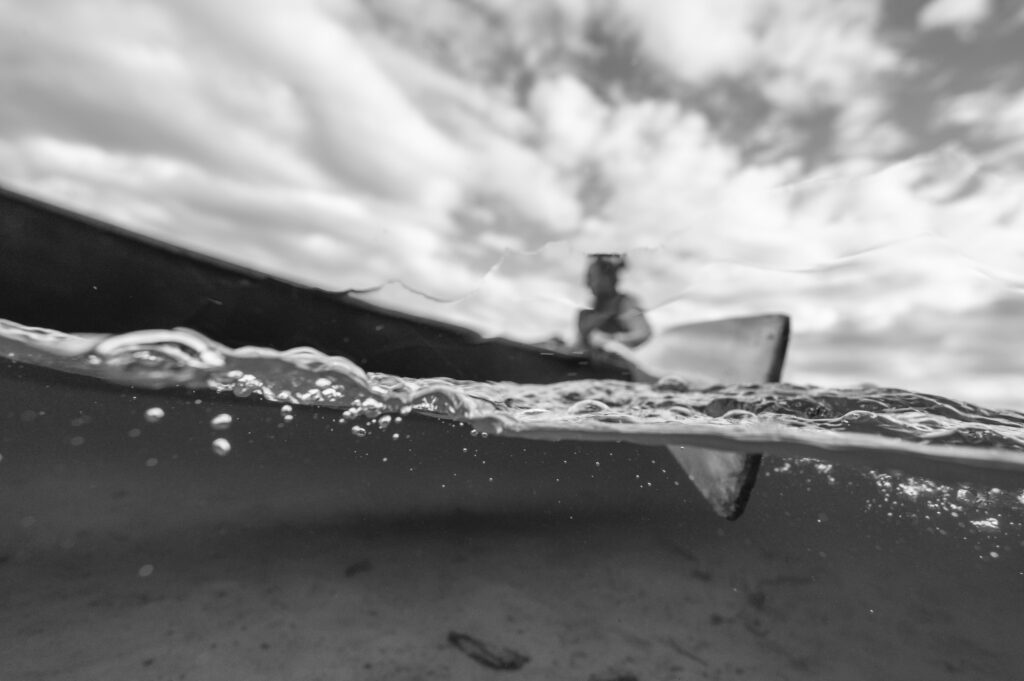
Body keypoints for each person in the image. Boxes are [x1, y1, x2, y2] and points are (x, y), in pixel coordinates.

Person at [576, 253, 652, 352]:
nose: (588, 283)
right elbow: (579, 346)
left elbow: (643, 333)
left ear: (607, 278)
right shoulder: (588, 312)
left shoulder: (624, 303)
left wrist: (611, 339)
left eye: (592, 277)